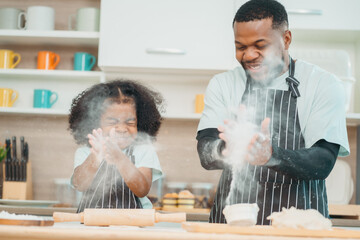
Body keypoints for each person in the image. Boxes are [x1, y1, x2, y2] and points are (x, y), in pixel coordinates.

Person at [196, 0, 350, 225]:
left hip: (299, 229)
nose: (249, 55)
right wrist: (228, 148)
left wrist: (272, 155)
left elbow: (323, 161)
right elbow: (206, 152)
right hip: (232, 229)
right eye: (240, 46)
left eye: (260, 45)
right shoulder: (223, 84)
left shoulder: (323, 84)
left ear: (286, 39)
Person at [68, 79, 164, 212]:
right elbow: (79, 184)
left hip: (134, 225)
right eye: (112, 122)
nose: (122, 129)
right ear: (95, 123)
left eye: (130, 123)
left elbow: (142, 190)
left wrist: (119, 157)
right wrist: (95, 158)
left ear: (140, 123)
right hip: (92, 224)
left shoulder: (144, 150)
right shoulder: (87, 151)